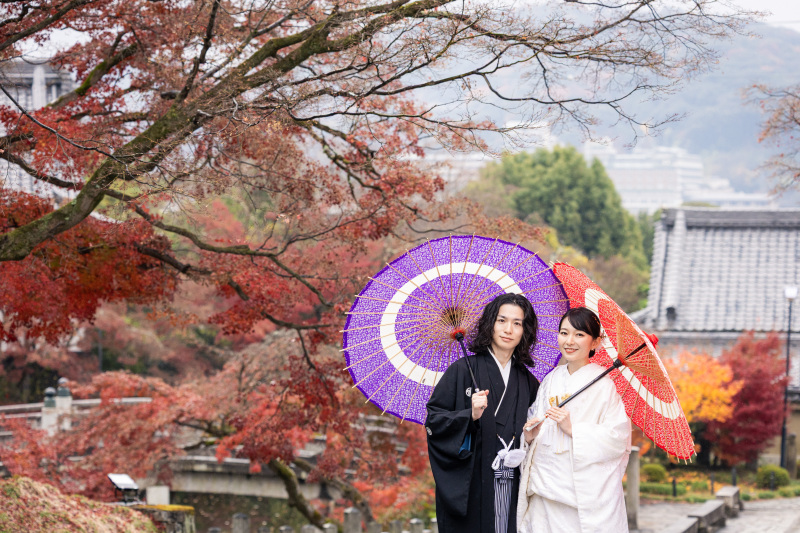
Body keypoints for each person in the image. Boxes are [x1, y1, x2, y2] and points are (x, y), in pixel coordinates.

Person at [426, 292, 541, 533]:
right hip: (472, 485)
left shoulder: (529, 382)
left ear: (524, 331)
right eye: (502, 320)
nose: (508, 329)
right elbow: (434, 421)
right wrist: (469, 415)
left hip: (512, 481)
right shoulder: (461, 371)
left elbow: (534, 433)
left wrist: (528, 439)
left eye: (517, 323)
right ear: (490, 324)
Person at [516, 307, 631, 533]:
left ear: (596, 342)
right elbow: (535, 419)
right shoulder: (551, 379)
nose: (569, 341)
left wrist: (574, 429)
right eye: (564, 332)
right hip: (544, 489)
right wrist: (529, 436)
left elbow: (618, 439)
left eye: (579, 335)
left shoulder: (604, 386)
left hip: (581, 497)